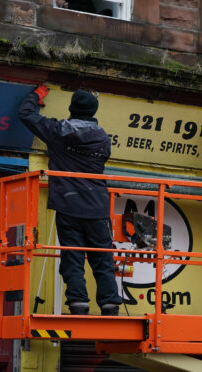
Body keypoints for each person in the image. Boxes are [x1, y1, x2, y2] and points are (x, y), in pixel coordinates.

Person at [18, 85, 122, 316]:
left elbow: (26, 115)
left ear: (71, 108)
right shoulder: (103, 139)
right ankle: (109, 304)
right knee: (102, 257)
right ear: (94, 112)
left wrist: (37, 95)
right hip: (97, 205)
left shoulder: (58, 132)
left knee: (72, 256)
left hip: (68, 204)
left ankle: (78, 304)